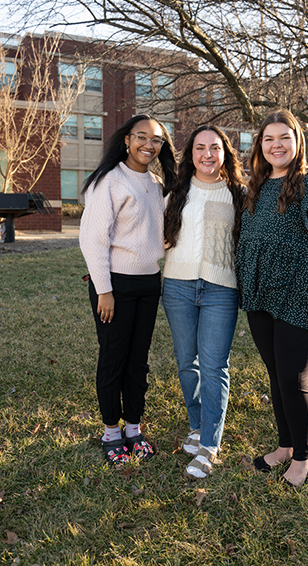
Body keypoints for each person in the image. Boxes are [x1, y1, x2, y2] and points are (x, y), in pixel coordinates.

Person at [235, 110, 308, 487]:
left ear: (298, 141)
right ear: (260, 146)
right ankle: (285, 445)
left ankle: (301, 457)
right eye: (268, 139)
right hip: (259, 295)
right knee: (275, 374)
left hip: (297, 296)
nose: (276, 145)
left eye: (284, 137)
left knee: (293, 376)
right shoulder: (256, 185)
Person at [79, 114, 176, 465]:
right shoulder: (108, 181)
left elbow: (156, 231)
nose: (149, 145)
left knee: (138, 360)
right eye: (142, 137)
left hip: (149, 284)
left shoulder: (154, 183)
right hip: (115, 286)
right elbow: (92, 239)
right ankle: (110, 432)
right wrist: (104, 290)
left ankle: (133, 427)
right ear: (126, 140)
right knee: (114, 357)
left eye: (157, 140)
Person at [163, 125, 245, 479]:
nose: (207, 154)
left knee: (214, 366)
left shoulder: (240, 194)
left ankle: (210, 444)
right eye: (200, 148)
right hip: (177, 287)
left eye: (214, 147)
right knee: (186, 363)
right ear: (190, 153)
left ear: (225, 152)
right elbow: (160, 238)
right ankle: (197, 426)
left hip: (220, 290)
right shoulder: (176, 192)